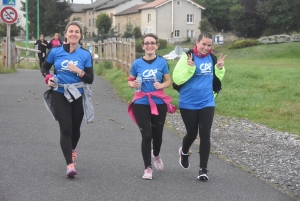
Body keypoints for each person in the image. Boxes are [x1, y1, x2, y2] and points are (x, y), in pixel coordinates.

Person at [41, 21, 94, 178]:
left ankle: (72, 149)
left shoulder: (85, 54)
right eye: (71, 31)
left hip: (78, 93)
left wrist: (79, 71)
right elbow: (45, 68)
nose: (73, 34)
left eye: (77, 32)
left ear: (80, 35)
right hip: (60, 91)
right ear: (66, 34)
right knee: (65, 128)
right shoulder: (55, 52)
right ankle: (69, 164)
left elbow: (90, 79)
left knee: (75, 129)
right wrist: (48, 78)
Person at [172, 32, 226, 181]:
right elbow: (177, 78)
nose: (206, 48)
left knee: (205, 135)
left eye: (209, 45)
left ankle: (203, 169)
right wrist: (190, 68)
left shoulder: (212, 58)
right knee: (192, 133)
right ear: (197, 42)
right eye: (204, 44)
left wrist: (219, 69)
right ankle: (184, 151)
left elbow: (215, 81)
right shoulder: (187, 57)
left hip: (207, 102)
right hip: (188, 102)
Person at [127, 33, 176, 180]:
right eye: (146, 43)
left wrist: (161, 85)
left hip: (159, 102)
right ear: (143, 46)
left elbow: (169, 81)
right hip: (141, 102)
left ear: (156, 45)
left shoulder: (162, 62)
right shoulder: (137, 63)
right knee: (146, 134)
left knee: (158, 135)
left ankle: (156, 155)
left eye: (152, 43)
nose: (149, 45)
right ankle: (147, 168)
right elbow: (130, 80)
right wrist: (133, 84)